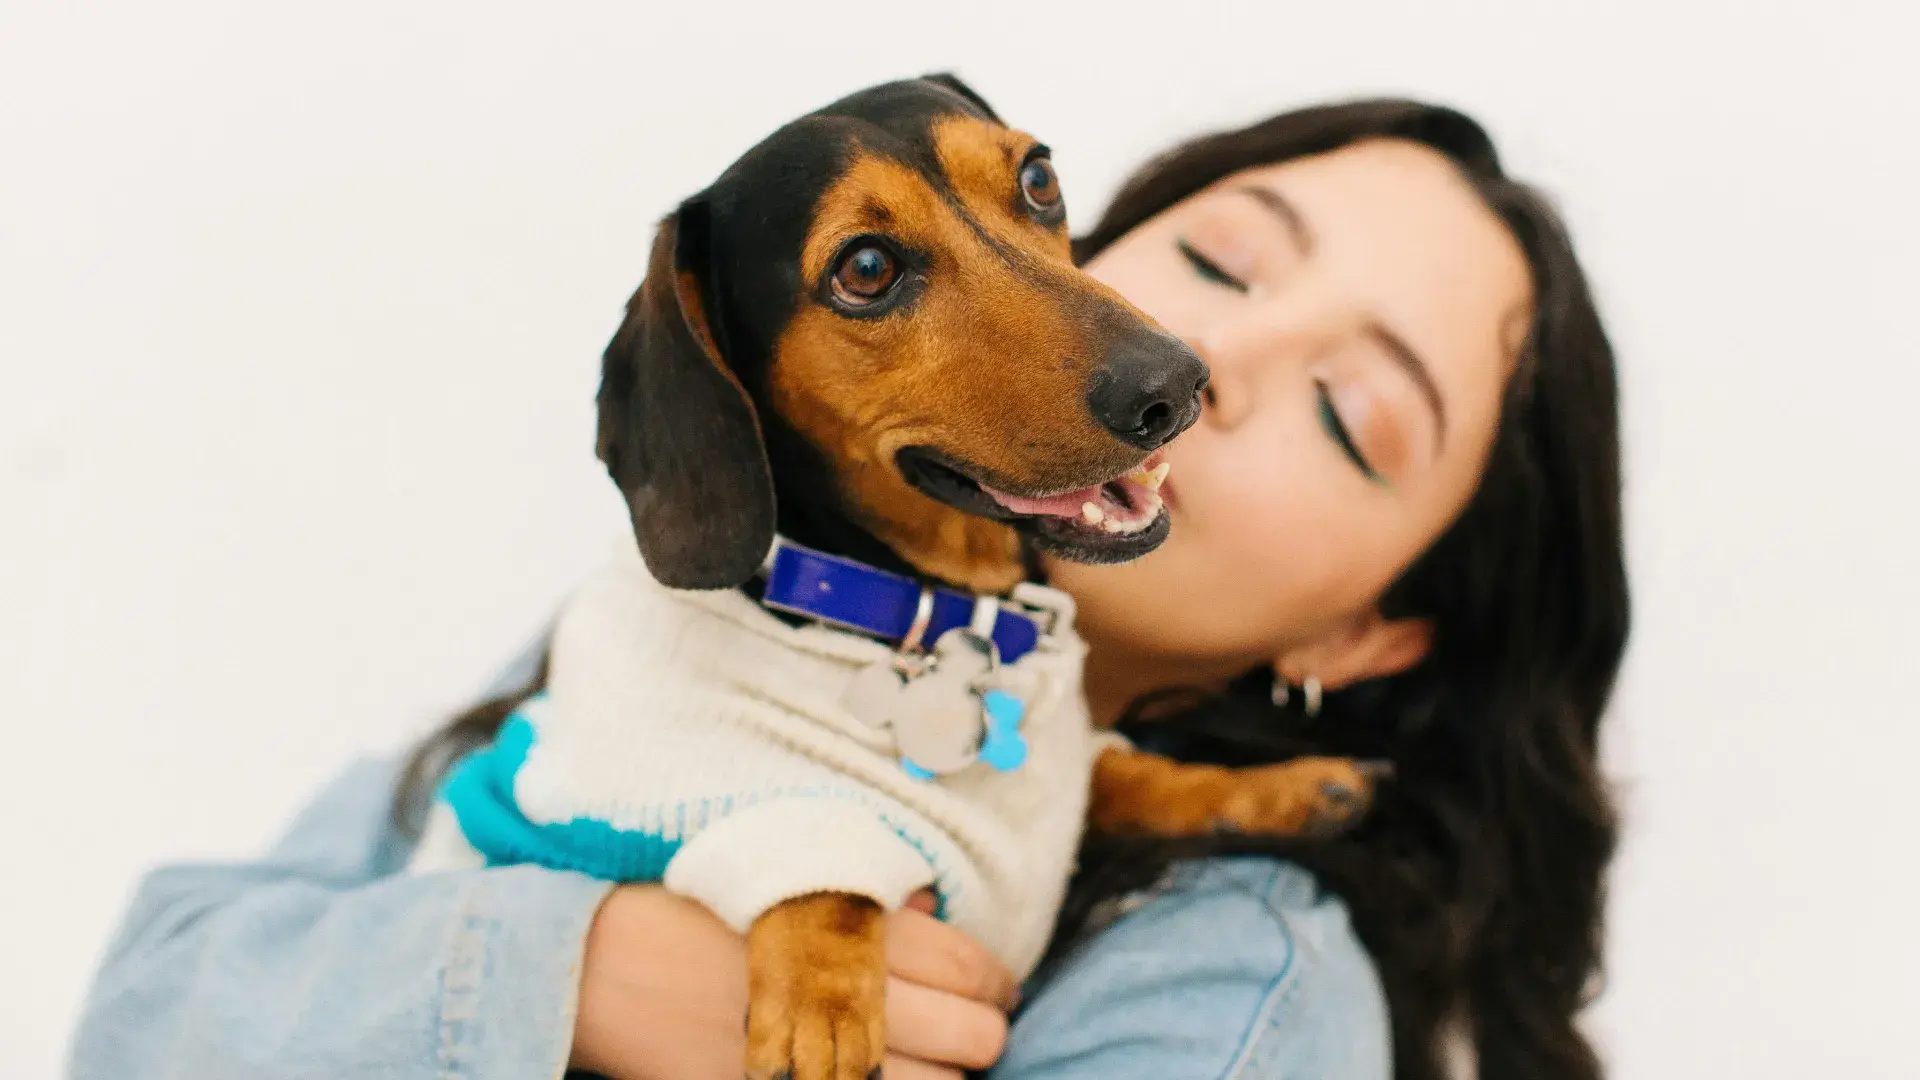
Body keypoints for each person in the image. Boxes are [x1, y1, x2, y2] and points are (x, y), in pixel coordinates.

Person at [68, 98, 1627, 1080]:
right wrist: (582, 977)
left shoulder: (1245, 987)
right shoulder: (656, 659)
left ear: (1365, 630)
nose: (1190, 372)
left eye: (1354, 416)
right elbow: (142, 1009)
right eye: (1218, 266)